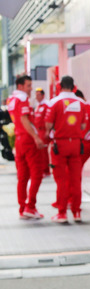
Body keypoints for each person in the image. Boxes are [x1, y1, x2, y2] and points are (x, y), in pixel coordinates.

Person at [45, 76, 88, 223]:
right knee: (76, 179)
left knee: (61, 180)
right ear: (73, 86)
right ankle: (77, 212)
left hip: (60, 145)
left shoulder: (54, 102)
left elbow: (48, 125)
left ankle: (62, 213)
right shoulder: (81, 103)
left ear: (60, 85)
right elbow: (83, 126)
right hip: (76, 144)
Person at [7, 75, 46, 219]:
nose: (31, 89)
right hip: (28, 140)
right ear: (21, 86)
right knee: (37, 174)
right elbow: (24, 119)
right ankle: (30, 207)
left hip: (19, 140)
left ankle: (23, 208)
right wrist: (36, 137)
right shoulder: (23, 99)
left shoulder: (12, 99)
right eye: (29, 85)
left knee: (22, 177)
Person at [32, 88, 52, 177]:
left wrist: (48, 131)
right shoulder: (38, 106)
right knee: (39, 151)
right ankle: (42, 169)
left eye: (38, 95)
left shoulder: (46, 105)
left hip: (43, 130)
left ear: (43, 95)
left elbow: (49, 119)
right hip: (38, 130)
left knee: (43, 151)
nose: (36, 97)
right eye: (36, 95)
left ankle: (46, 170)